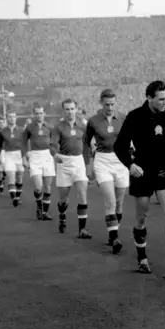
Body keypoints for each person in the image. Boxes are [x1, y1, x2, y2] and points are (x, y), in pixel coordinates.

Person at [114, 80, 165, 279]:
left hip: (164, 171)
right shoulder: (134, 116)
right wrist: (130, 165)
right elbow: (119, 146)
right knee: (141, 217)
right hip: (142, 171)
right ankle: (142, 258)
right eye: (161, 99)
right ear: (149, 98)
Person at [84, 89, 130, 254]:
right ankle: (115, 237)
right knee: (110, 201)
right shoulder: (93, 121)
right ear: (101, 103)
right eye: (106, 104)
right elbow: (85, 143)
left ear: (116, 103)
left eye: (112, 104)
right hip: (102, 160)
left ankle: (112, 232)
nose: (110, 107)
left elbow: (133, 139)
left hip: (121, 161)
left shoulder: (124, 118)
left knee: (119, 203)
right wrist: (88, 165)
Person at [50, 99, 92, 238]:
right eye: (67, 109)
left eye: (72, 108)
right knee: (63, 198)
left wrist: (89, 164)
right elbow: (53, 144)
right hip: (63, 162)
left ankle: (82, 229)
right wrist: (55, 154)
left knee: (82, 194)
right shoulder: (58, 127)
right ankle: (62, 216)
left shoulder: (83, 125)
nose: (70, 111)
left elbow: (88, 144)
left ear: (76, 109)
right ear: (64, 110)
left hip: (78, 161)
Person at [22, 105, 55, 220]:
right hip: (35, 156)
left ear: (44, 113)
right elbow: (23, 142)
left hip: (47, 157)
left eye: (41, 113)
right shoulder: (29, 127)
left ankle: (44, 213)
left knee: (48, 186)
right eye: (37, 113)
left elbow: (54, 142)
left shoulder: (50, 127)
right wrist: (24, 158)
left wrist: (56, 154)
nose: (39, 115)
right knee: (38, 187)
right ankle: (39, 207)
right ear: (33, 114)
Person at [0, 112, 26, 207]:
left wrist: (26, 156)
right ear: (7, 118)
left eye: (13, 117)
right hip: (8, 155)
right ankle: (14, 198)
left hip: (19, 155)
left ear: (16, 118)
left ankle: (17, 197)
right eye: (10, 117)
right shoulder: (3, 131)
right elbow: (0, 145)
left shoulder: (22, 130)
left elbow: (25, 144)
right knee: (11, 175)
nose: (12, 118)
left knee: (19, 177)